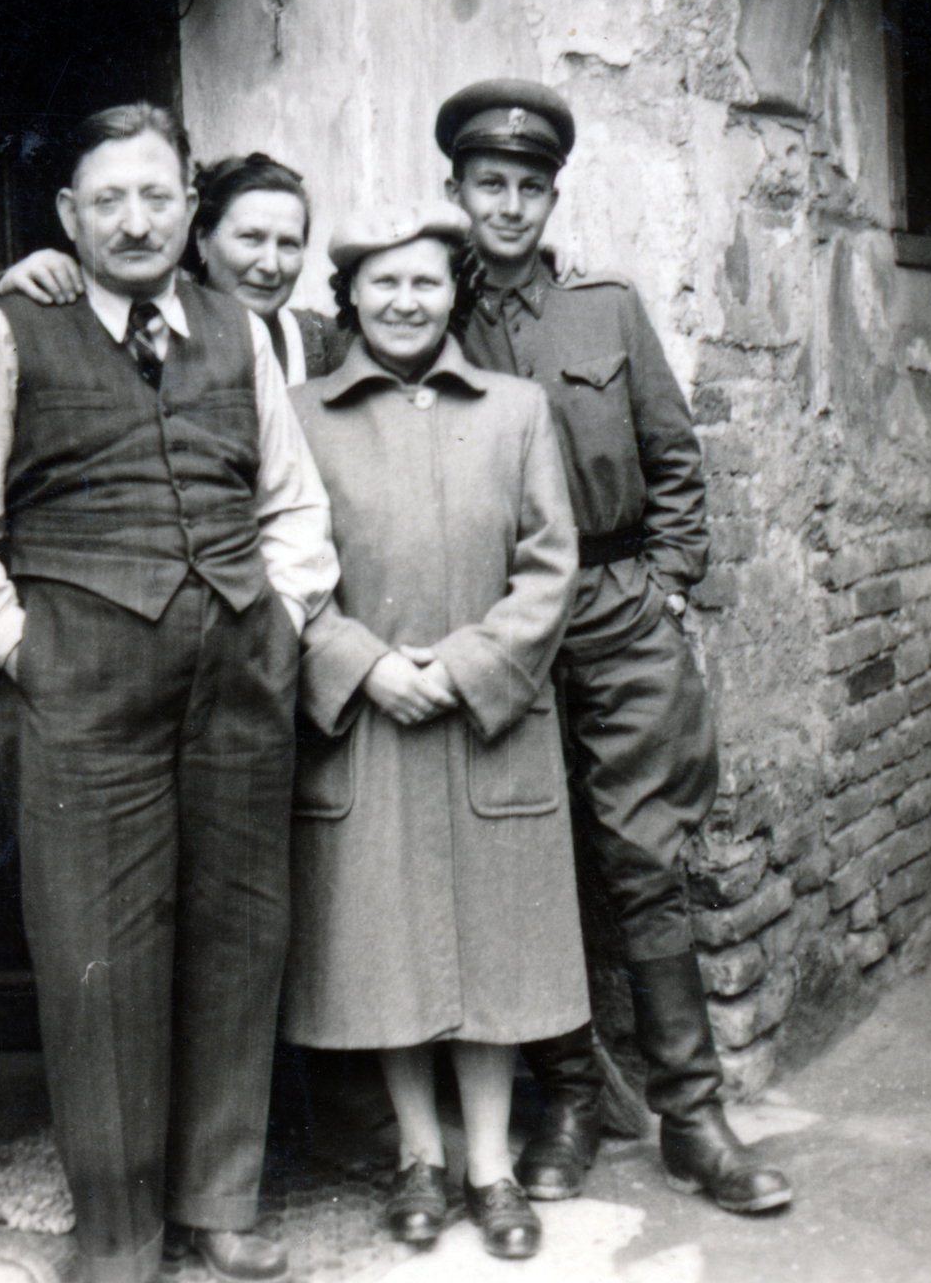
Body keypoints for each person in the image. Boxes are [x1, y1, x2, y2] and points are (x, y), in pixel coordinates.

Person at [0, 103, 339, 1283]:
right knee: (99, 956)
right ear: (69, 216)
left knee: (238, 934)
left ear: (188, 207)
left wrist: (282, 615)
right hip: (79, 690)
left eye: (157, 196)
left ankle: (219, 1200)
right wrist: (32, 649)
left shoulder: (233, 330)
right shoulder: (8, 334)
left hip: (238, 676)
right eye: (109, 200)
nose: (137, 220)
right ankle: (120, 1236)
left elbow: (291, 501)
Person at [435, 80, 794, 1216]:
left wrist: (666, 589)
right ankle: (572, 1103)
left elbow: (674, 458)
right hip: (495, 620)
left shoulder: (604, 308)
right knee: (526, 860)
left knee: (644, 857)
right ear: (455, 191)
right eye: (487, 184)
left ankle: (691, 1117)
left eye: (528, 187)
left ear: (550, 196)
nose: (507, 204)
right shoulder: (415, 309)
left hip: (614, 600)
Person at [283, 202, 587, 1262]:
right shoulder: (299, 414)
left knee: (494, 949)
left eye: (421, 281)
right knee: (391, 950)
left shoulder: (514, 411)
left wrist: (460, 669)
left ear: (449, 291)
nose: (403, 300)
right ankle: (419, 1156)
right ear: (349, 299)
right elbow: (276, 572)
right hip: (366, 727)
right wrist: (365, 665)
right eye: (380, 283)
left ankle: (492, 1167)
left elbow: (550, 568)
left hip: (488, 724)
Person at [0, 151, 351, 384]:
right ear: (202, 241)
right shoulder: (147, 328)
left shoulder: (322, 340)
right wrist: (16, 280)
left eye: (288, 244)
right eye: (250, 238)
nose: (271, 265)